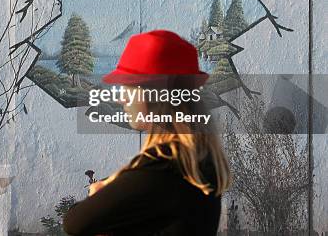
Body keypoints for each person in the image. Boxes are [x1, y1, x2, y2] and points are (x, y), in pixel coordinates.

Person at [63, 30, 231, 236]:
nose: (121, 98)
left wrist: (99, 193)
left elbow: (75, 222)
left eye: (128, 87)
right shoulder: (200, 162)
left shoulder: (163, 169)